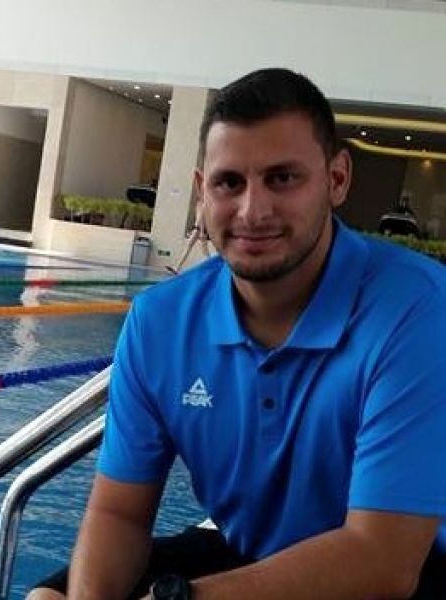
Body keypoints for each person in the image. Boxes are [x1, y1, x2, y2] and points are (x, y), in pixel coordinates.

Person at [28, 68, 446, 600]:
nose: (253, 211)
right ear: (202, 191)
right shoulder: (160, 321)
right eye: (229, 183)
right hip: (253, 551)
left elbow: (383, 560)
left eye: (282, 178)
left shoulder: (417, 311)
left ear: (337, 179)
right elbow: (120, 513)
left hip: (409, 568)